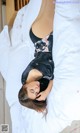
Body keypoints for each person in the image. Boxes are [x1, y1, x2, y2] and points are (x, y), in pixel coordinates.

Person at [18, 0, 55, 113]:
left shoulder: (37, 76)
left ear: (25, 86)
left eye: (31, 90)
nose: (36, 89)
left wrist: (46, 91)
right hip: (37, 38)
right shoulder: (25, 79)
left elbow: (53, 78)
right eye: (35, 93)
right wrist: (44, 94)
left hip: (43, 36)